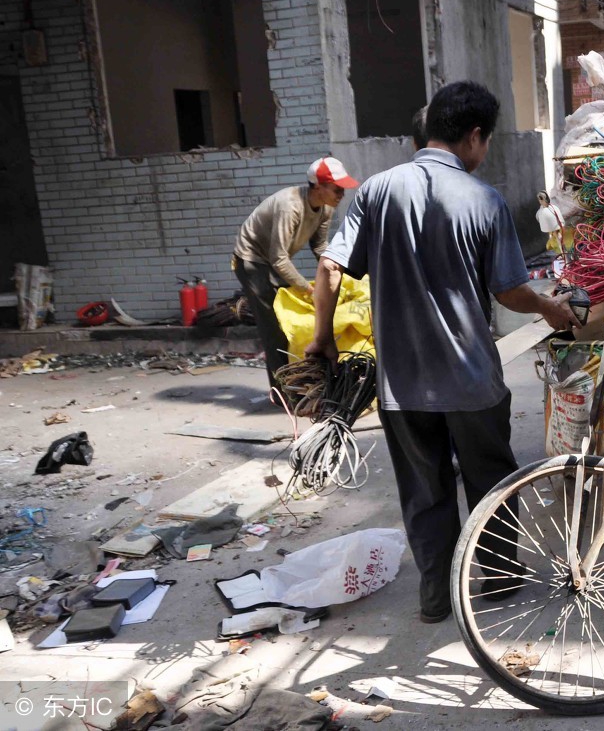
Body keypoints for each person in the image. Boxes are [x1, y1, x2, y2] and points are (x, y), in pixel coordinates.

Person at [306, 82, 579, 623]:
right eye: (487, 141)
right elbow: (509, 291)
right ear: (474, 136)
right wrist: (549, 308)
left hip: (402, 383)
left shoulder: (375, 191)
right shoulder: (484, 199)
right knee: (491, 480)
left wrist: (322, 339)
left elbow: (331, 267)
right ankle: (497, 580)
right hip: (471, 377)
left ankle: (437, 594)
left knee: (424, 489)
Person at [233, 156, 356, 387]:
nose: (341, 194)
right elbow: (278, 259)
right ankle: (282, 392)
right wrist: (310, 290)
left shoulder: (326, 207)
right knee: (274, 327)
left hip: (275, 259)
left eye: (343, 189)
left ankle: (304, 380)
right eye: (337, 189)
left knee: (293, 319)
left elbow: (320, 245)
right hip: (251, 259)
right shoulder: (290, 207)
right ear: (318, 187)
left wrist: (338, 272)